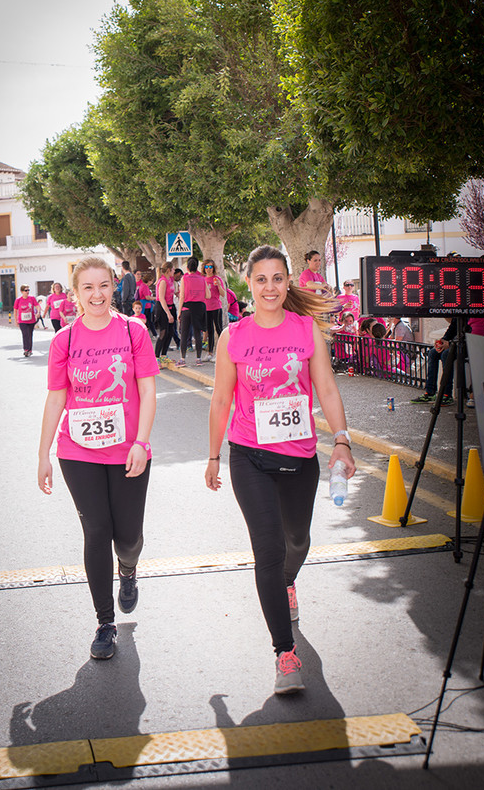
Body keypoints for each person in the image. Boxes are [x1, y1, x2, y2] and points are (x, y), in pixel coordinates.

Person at [205, 245, 355, 695]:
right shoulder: (233, 336)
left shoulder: (307, 330)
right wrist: (214, 455)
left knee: (298, 540)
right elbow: (221, 401)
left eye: (277, 278)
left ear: (288, 282)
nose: (269, 287)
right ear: (247, 285)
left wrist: (342, 439)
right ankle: (285, 655)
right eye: (260, 279)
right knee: (268, 551)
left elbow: (326, 388)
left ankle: (288, 581)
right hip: (248, 454)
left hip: (299, 457)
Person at [38, 255, 158, 661]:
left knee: (128, 536)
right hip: (78, 452)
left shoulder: (133, 331)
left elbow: (147, 391)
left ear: (113, 286)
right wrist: (44, 454)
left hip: (129, 451)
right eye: (87, 287)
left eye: (103, 285)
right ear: (75, 294)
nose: (97, 294)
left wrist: (141, 442)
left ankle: (128, 569)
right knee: (96, 532)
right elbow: (56, 399)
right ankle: (104, 623)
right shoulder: (65, 341)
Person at [411, 318, 459, 406]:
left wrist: (451, 343)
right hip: (453, 344)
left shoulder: (468, 315)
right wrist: (443, 340)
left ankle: (447, 394)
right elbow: (451, 329)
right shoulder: (456, 318)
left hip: (462, 345)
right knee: (433, 353)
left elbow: (468, 332)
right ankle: (430, 392)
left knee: (446, 354)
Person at [177, 257, 210, 367]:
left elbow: (181, 296)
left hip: (187, 308)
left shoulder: (184, 279)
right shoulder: (203, 279)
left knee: (185, 334)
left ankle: (182, 359)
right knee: (198, 334)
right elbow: (208, 295)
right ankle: (198, 359)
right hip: (200, 307)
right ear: (197, 268)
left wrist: (179, 312)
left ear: (187, 268)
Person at [202, 259, 225, 361]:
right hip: (206, 308)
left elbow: (223, 294)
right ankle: (210, 353)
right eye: (206, 267)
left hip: (216, 307)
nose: (208, 269)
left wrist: (219, 285)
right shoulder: (202, 279)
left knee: (219, 329)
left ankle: (221, 352)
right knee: (209, 330)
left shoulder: (217, 278)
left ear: (214, 268)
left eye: (210, 267)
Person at [153, 261, 176, 361]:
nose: (174, 271)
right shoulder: (162, 281)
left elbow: (171, 292)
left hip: (171, 306)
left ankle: (163, 355)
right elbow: (161, 298)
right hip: (163, 308)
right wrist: (168, 314)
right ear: (168, 270)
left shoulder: (170, 279)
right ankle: (156, 357)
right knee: (163, 332)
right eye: (173, 269)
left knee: (170, 332)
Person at [13, 285, 39, 357]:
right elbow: (15, 311)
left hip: (31, 320)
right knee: (25, 334)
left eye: (28, 290)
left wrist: (38, 312)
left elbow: (37, 305)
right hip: (22, 321)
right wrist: (16, 320)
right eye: (25, 290)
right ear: (22, 291)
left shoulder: (32, 298)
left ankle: (30, 350)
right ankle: (26, 349)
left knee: (30, 334)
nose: (27, 292)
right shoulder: (18, 300)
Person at [135, 270, 156, 337]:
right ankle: (154, 334)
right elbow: (147, 297)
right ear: (149, 280)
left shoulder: (142, 285)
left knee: (146, 321)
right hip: (146, 306)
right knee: (148, 321)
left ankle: (151, 334)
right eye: (151, 281)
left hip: (144, 306)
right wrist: (155, 298)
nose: (152, 282)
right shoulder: (145, 287)